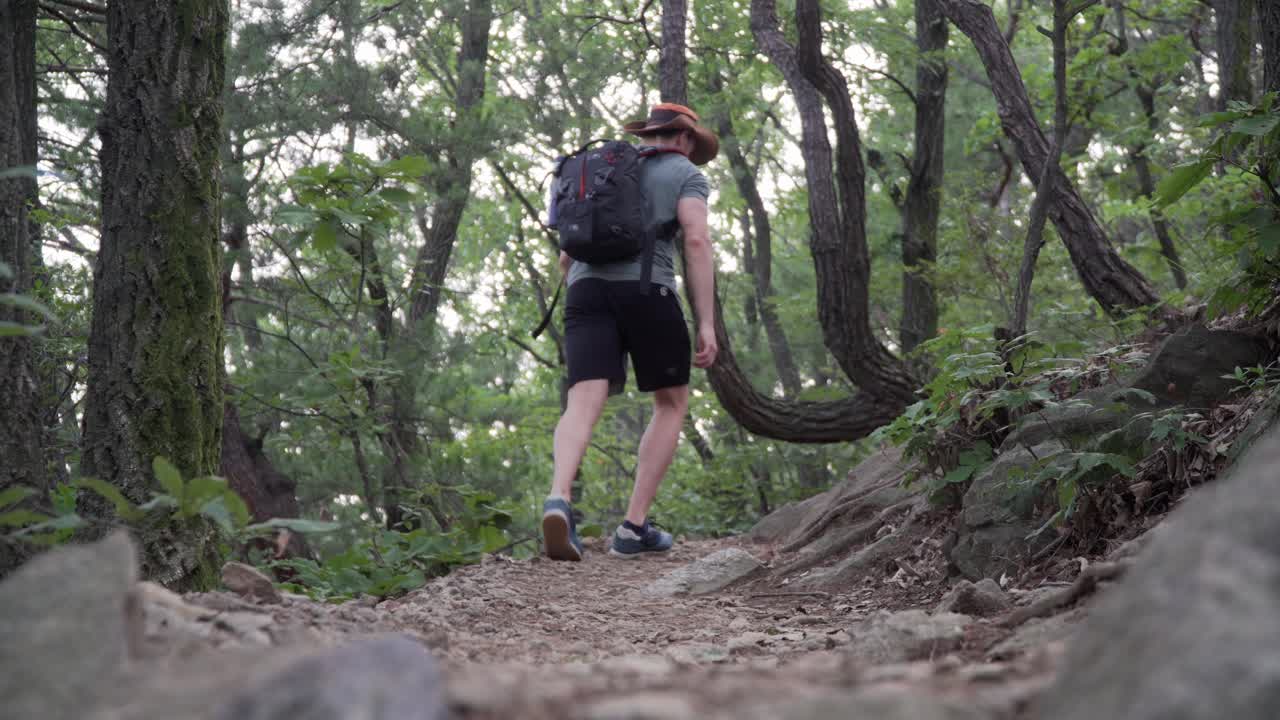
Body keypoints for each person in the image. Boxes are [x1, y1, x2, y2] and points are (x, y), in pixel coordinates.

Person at [542, 103, 720, 561]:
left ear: (649, 134)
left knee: (582, 401)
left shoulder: (599, 170)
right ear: (683, 138)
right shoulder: (684, 174)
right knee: (671, 402)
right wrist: (706, 322)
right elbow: (696, 240)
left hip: (584, 291)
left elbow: (566, 255)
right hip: (648, 290)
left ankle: (559, 498)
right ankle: (633, 528)